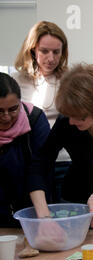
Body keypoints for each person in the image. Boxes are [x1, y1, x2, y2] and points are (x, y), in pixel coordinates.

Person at [30, 64, 93, 228]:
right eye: (70, 115)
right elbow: (40, 164)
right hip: (74, 200)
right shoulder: (66, 122)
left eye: (80, 117)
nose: (72, 121)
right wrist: (44, 217)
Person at [12, 21, 71, 203]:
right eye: (44, 51)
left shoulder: (69, 79)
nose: (51, 58)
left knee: (62, 215)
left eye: (56, 52)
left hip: (63, 160)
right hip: (29, 160)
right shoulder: (15, 81)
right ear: (32, 50)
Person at [0, 73, 50, 228]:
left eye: (13, 109)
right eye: (0, 111)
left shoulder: (35, 119)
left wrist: (44, 220)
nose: (7, 117)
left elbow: (38, 169)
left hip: (34, 203)